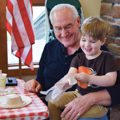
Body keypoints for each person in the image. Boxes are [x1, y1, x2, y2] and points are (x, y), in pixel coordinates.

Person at [48, 17, 118, 120]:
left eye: (92, 41)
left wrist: (89, 78)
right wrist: (62, 84)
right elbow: (71, 74)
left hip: (98, 104)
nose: (87, 45)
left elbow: (111, 80)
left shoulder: (107, 57)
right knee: (52, 103)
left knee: (74, 115)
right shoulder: (78, 58)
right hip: (77, 93)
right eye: (84, 40)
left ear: (102, 41)